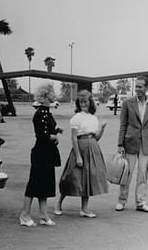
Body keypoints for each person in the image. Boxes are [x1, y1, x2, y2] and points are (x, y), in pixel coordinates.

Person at [54, 90, 109, 218]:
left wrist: (102, 128)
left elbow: (97, 138)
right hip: (80, 148)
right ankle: (59, 202)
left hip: (92, 149)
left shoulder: (93, 118)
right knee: (71, 177)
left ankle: (84, 209)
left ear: (91, 102)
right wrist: (78, 156)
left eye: (86, 101)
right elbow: (73, 138)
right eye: (81, 102)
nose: (84, 104)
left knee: (88, 179)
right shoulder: (76, 118)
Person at [116, 76, 148, 213]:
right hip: (129, 142)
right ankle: (122, 201)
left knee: (142, 174)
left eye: (140, 87)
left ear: (146, 88)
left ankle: (141, 202)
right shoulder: (127, 103)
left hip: (146, 143)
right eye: (136, 87)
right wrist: (120, 144)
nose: (138, 90)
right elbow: (123, 125)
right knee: (127, 173)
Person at [19, 97, 62, 226]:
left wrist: (56, 132)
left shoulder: (47, 112)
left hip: (47, 152)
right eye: (49, 97)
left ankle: (43, 214)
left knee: (46, 183)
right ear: (43, 98)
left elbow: (48, 130)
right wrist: (53, 136)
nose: (52, 99)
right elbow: (41, 135)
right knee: (34, 182)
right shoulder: (39, 114)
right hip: (41, 152)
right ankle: (24, 214)